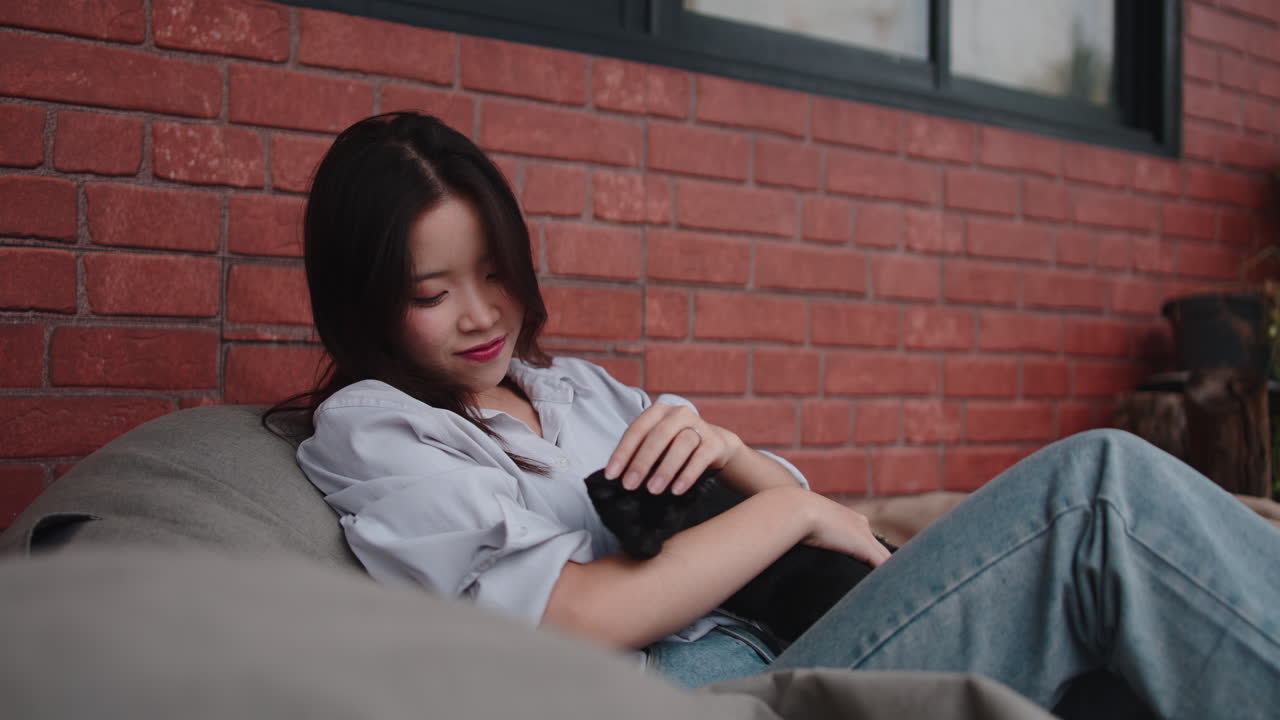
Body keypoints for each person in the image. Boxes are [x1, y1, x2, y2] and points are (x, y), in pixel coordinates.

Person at [279, 111, 1280, 718]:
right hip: (705, 697)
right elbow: (578, 618)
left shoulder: (572, 390)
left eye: (496, 273)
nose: (482, 313)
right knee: (1094, 494)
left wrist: (729, 452)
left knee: (1120, 653)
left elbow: (829, 520)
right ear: (364, 299)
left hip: (794, 638)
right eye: (431, 292)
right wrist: (785, 515)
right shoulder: (375, 428)